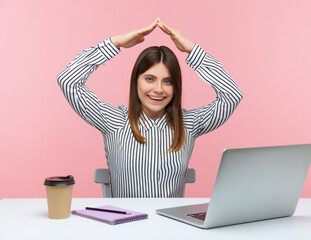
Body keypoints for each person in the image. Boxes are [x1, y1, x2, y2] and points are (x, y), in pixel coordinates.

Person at [57, 18, 243, 198]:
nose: (159, 90)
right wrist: (115, 43)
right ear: (135, 82)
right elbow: (68, 80)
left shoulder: (189, 124)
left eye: (168, 81)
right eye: (149, 79)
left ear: (176, 86)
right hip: (126, 226)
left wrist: (192, 50)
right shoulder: (114, 120)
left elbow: (232, 95)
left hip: (170, 226)